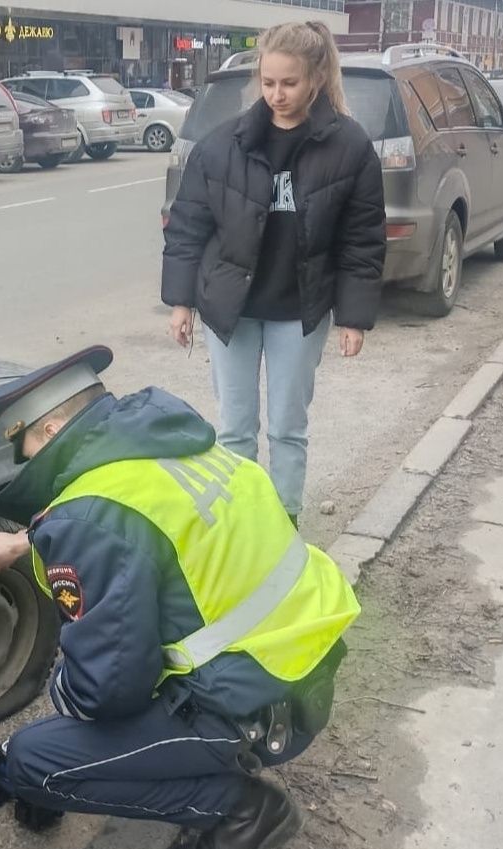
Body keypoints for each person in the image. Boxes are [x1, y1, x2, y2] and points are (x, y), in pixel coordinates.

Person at [0, 345, 360, 849]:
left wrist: (62, 683)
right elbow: (139, 524)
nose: (22, 459)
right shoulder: (171, 444)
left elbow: (105, 693)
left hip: (247, 713)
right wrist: (29, 539)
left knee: (33, 761)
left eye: (25, 442)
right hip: (299, 667)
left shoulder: (93, 513)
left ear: (54, 426)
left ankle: (243, 809)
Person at [161, 21, 386, 526]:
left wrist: (354, 318)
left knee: (288, 428)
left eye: (289, 83)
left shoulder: (348, 146)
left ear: (315, 78)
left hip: (298, 311)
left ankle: (284, 529)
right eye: (268, 83)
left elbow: (362, 240)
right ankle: (244, 530)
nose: (277, 94)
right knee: (235, 429)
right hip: (231, 310)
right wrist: (180, 302)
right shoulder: (223, 145)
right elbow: (188, 226)